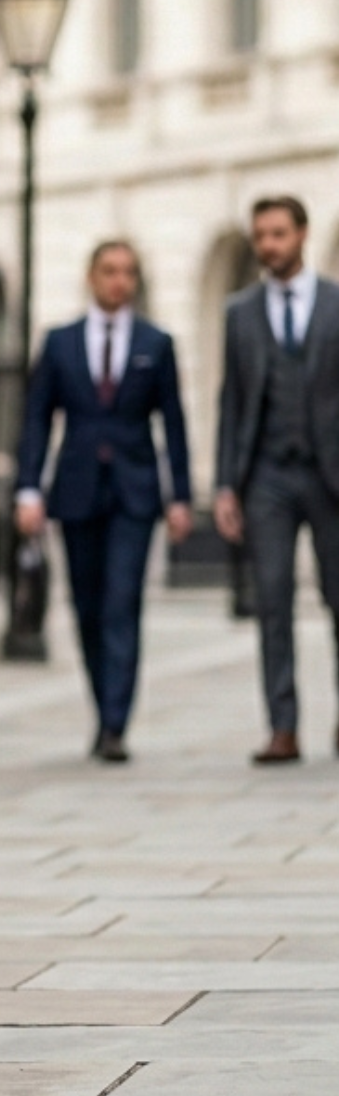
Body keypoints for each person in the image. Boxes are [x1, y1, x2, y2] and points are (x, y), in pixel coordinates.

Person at [15, 240, 193, 762]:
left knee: (122, 602)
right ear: (92, 276)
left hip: (135, 494)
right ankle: (103, 709)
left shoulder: (156, 343)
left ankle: (115, 724)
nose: (120, 281)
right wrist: (28, 489)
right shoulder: (60, 343)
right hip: (77, 492)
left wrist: (181, 496)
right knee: (88, 607)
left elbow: (174, 423)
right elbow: (36, 421)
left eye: (129, 272)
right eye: (111, 271)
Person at [214, 195, 339, 765]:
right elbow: (231, 402)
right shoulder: (239, 313)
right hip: (265, 475)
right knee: (272, 601)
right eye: (261, 235)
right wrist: (225, 485)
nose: (268, 244)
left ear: (302, 234)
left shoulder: (335, 303)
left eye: (278, 233)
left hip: (330, 474)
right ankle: (283, 728)